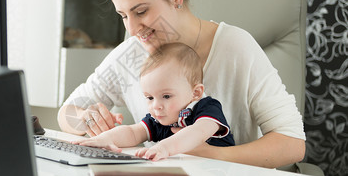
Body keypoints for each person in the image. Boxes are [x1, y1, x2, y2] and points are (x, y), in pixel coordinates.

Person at [58, 0, 305, 176]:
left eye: (141, 11)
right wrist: (85, 118)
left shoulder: (235, 47)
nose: (132, 29)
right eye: (124, 15)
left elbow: (292, 143)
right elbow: (68, 111)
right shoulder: (130, 55)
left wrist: (209, 154)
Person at [73, 42, 235, 161]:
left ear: (196, 92)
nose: (156, 106)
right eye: (149, 97)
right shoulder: (160, 118)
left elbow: (196, 133)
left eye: (166, 96)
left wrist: (164, 147)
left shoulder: (207, 108)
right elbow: (133, 132)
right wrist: (104, 139)